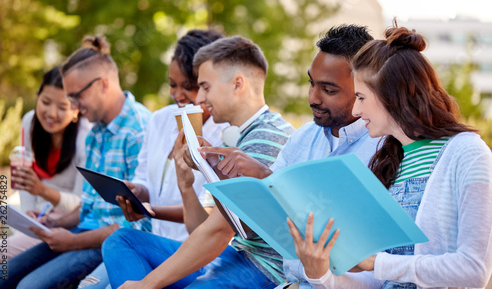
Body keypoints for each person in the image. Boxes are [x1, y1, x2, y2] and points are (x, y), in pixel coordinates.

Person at [288, 25, 492, 288]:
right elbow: (376, 280)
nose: (357, 111)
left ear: (391, 96)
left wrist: (375, 262)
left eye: (361, 97)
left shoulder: (468, 154)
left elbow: (474, 270)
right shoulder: (389, 160)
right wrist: (321, 273)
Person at [103, 36, 296, 288]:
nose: (199, 98)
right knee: (122, 241)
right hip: (235, 255)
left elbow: (218, 232)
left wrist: (146, 284)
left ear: (238, 84)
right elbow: (200, 228)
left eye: (205, 87)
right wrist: (186, 182)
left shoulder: (267, 137)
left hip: (263, 269)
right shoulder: (233, 140)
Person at [197, 25, 379, 288]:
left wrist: (264, 175)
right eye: (311, 83)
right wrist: (220, 177)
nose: (312, 98)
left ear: (363, 88)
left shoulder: (381, 148)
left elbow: (357, 250)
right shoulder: (304, 138)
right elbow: (254, 228)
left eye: (328, 90)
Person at [0, 36, 151, 289]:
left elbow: (138, 226)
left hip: (111, 242)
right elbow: (87, 207)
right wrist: (53, 221)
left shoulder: (138, 131)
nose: (73, 108)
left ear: (103, 84)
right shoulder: (97, 129)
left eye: (75, 97)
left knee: (29, 287)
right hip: (79, 233)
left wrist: (71, 241)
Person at [77, 29, 227, 289]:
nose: (178, 94)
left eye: (188, 86)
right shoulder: (159, 121)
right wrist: (135, 192)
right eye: (172, 84)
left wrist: (151, 210)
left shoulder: (223, 133)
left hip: (194, 252)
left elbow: (212, 220)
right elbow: (144, 179)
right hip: (153, 242)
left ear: (206, 85)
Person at [0, 66, 91, 265]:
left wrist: (43, 191)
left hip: (66, 225)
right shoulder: (30, 122)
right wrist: (28, 216)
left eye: (62, 107)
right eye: (45, 102)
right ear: (37, 96)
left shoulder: (86, 138)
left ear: (76, 110)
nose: (51, 113)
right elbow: (25, 182)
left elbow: (83, 205)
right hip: (36, 217)